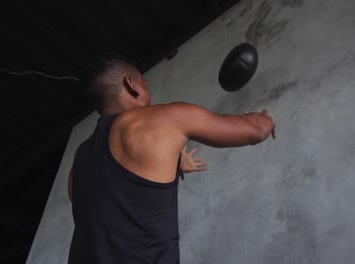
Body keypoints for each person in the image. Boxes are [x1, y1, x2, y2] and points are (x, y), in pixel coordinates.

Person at [67, 55, 275, 264]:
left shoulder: (79, 159)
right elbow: (257, 130)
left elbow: (114, 203)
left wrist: (171, 161)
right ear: (132, 84)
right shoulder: (164, 117)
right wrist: (262, 118)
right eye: (145, 84)